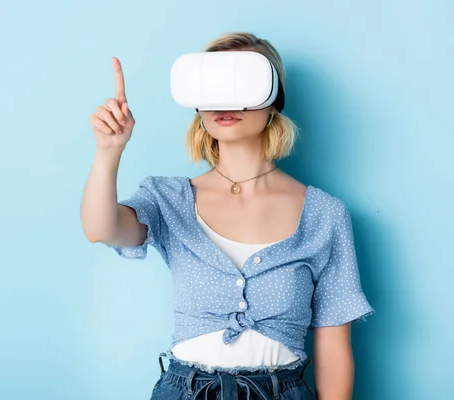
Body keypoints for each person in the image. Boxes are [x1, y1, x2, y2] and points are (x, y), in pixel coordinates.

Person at [80, 32, 375, 400]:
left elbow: (333, 353)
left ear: (273, 100)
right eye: (213, 87)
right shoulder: (168, 198)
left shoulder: (325, 215)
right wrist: (108, 152)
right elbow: (100, 229)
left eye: (243, 84)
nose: (226, 101)